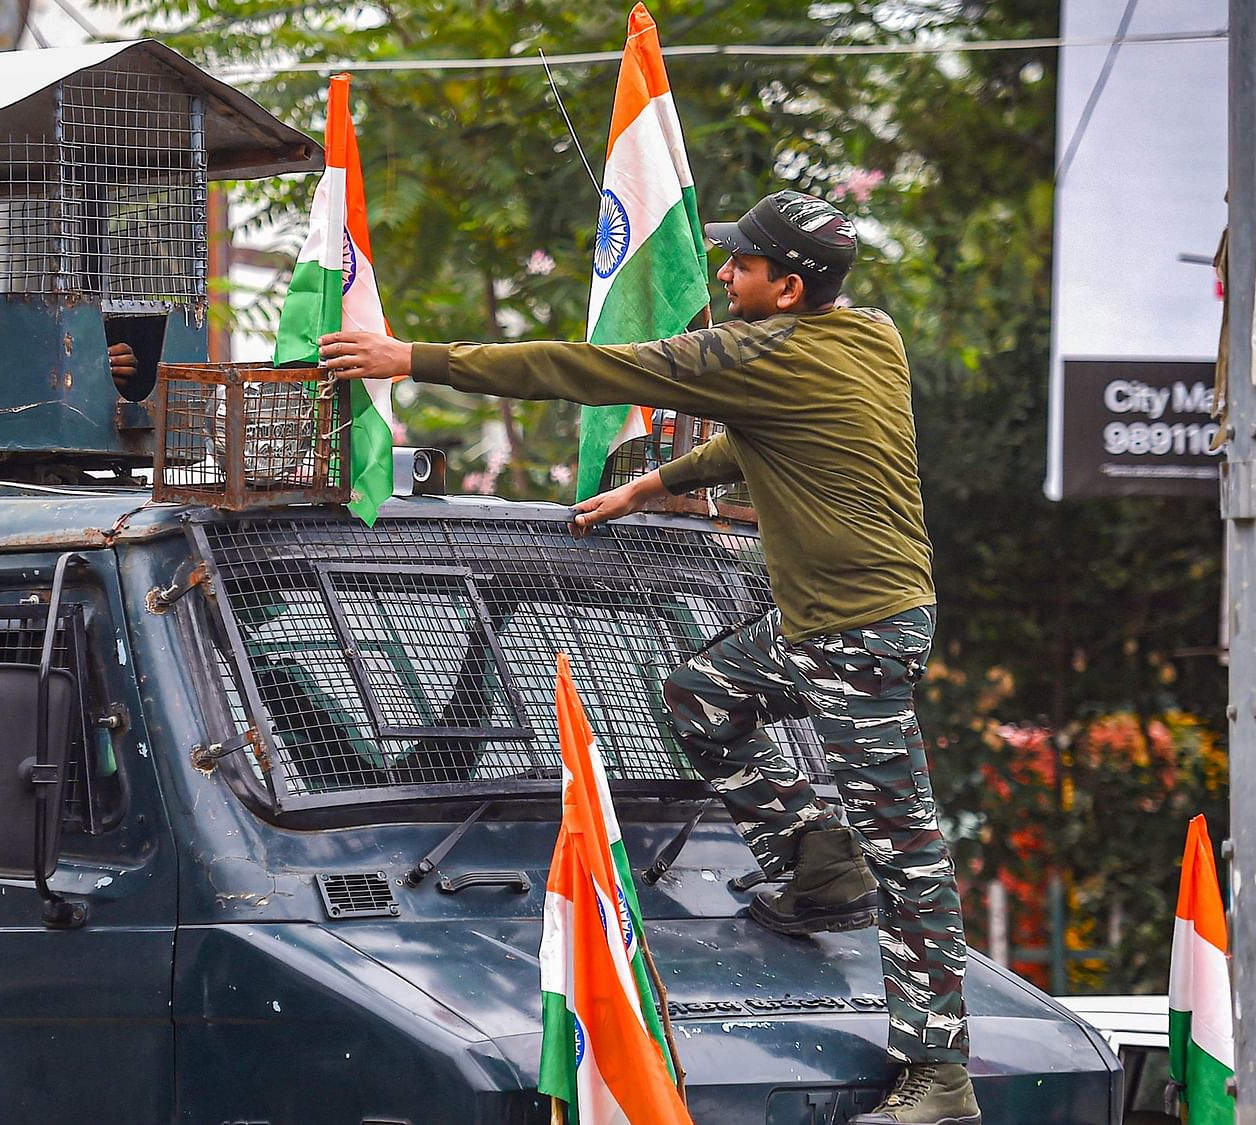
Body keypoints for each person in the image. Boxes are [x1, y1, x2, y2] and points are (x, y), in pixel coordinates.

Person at [318, 190, 978, 1125]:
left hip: (855, 631)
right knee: (701, 693)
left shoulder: (760, 353)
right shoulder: (870, 336)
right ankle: (817, 865)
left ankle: (939, 1078)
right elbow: (764, 440)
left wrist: (412, 359)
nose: (723, 275)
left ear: (787, 289)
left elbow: (584, 367)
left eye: (742, 266)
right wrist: (656, 485)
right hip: (838, 619)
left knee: (907, 853)